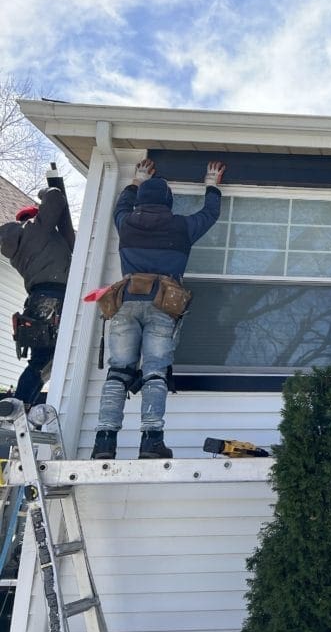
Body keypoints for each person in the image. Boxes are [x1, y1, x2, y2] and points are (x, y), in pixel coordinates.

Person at [91, 159, 225, 460]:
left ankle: (104, 442)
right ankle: (151, 442)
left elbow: (120, 206)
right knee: (154, 372)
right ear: (168, 201)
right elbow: (209, 214)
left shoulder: (126, 223)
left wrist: (136, 179)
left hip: (125, 303)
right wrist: (211, 183)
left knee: (118, 372)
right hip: (163, 305)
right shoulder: (181, 227)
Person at [0, 184, 75, 416]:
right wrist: (45, 192)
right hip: (56, 298)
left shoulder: (14, 249)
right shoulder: (36, 230)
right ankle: (21, 401)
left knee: (41, 360)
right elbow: (55, 198)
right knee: (49, 358)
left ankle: (21, 404)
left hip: (35, 302)